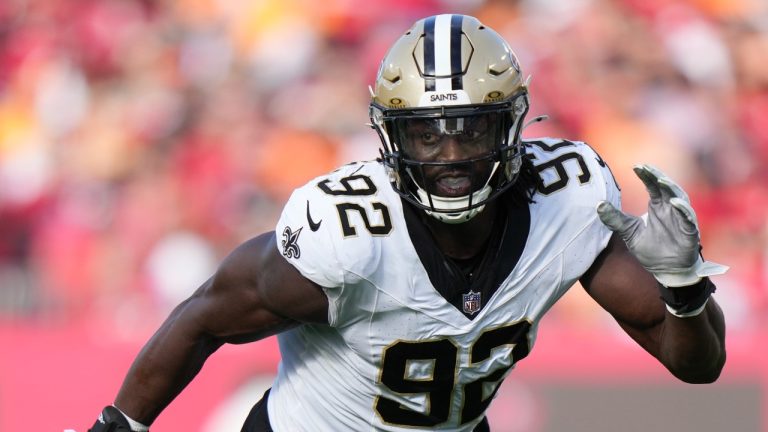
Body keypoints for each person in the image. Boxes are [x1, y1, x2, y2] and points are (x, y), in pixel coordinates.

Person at [89, 14, 728, 432]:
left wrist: (683, 285)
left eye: (471, 129)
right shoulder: (348, 235)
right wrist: (120, 425)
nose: (450, 157)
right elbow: (204, 317)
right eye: (426, 135)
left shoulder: (568, 202)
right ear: (391, 138)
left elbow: (698, 366)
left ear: (511, 126)